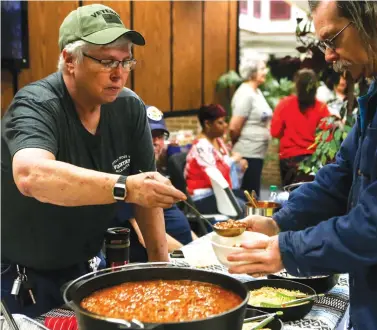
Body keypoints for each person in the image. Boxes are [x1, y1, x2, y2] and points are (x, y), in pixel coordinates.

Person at [227, 1, 377, 329]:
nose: (328, 56)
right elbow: (342, 175)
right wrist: (280, 224)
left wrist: (289, 250)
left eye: (332, 40)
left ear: (371, 17)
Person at [1, 4, 185, 317]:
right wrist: (124, 187)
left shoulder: (128, 107)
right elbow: (31, 175)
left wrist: (160, 269)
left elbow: (147, 193)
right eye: (106, 61)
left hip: (88, 268)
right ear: (69, 60)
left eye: (126, 60)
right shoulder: (36, 103)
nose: (119, 73)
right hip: (24, 277)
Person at [113, 106, 198, 260]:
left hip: (187, 255)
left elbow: (180, 219)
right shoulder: (129, 180)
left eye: (160, 136)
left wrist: (201, 246)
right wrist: (195, 256)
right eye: (150, 135)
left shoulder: (158, 175)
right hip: (165, 261)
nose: (156, 142)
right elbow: (146, 237)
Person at [185, 104, 247, 215]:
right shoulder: (201, 146)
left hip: (218, 192)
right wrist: (233, 160)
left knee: (250, 198)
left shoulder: (217, 140)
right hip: (203, 196)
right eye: (220, 122)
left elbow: (225, 162)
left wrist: (238, 163)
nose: (225, 125)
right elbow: (215, 177)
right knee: (243, 207)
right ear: (207, 124)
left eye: (225, 121)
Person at [271, 69, 330, 186]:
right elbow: (327, 138)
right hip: (313, 160)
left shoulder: (284, 104)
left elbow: (275, 132)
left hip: (288, 160)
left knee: (289, 194)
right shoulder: (322, 108)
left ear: (296, 85)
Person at [229, 53, 272, 197]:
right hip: (247, 153)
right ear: (252, 72)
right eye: (262, 68)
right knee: (250, 196)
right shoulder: (245, 93)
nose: (265, 72)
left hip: (256, 152)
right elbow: (234, 127)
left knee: (254, 194)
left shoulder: (256, 92)